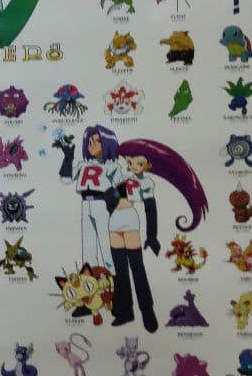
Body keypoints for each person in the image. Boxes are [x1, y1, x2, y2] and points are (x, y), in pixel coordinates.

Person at [110, 139, 208, 333]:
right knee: (120, 271)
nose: (132, 166)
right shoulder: (123, 178)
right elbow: (114, 199)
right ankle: (125, 311)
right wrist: (112, 198)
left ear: (148, 165)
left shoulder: (146, 183)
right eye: (129, 162)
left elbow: (150, 209)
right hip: (114, 224)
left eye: (138, 163)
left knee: (137, 269)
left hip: (130, 225)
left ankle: (147, 311)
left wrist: (151, 236)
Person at [58, 125, 122, 278]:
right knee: (88, 246)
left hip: (102, 204)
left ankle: (114, 278)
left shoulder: (111, 166)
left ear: (107, 143)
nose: (92, 145)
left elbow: (120, 187)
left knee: (106, 243)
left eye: (97, 141)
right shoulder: (83, 164)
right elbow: (65, 179)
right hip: (85, 204)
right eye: (90, 141)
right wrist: (68, 158)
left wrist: (112, 203)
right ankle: (90, 280)